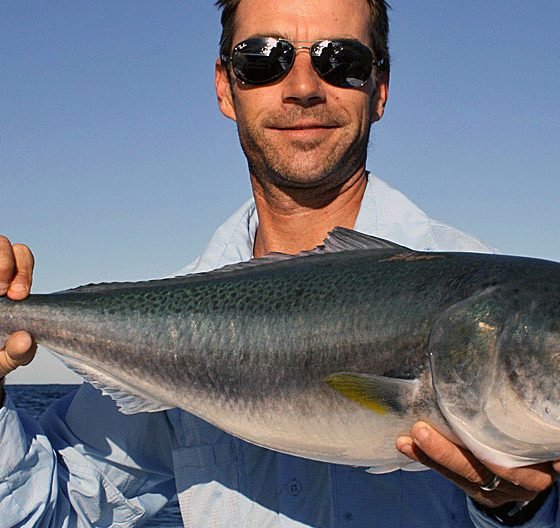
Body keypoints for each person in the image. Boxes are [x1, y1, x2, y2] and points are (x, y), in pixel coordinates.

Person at [0, 0, 558, 526]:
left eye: (343, 60)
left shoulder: (489, 283)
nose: (303, 88)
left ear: (380, 88)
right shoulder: (168, 323)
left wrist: (522, 511)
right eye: (262, 60)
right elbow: (58, 510)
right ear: (226, 87)